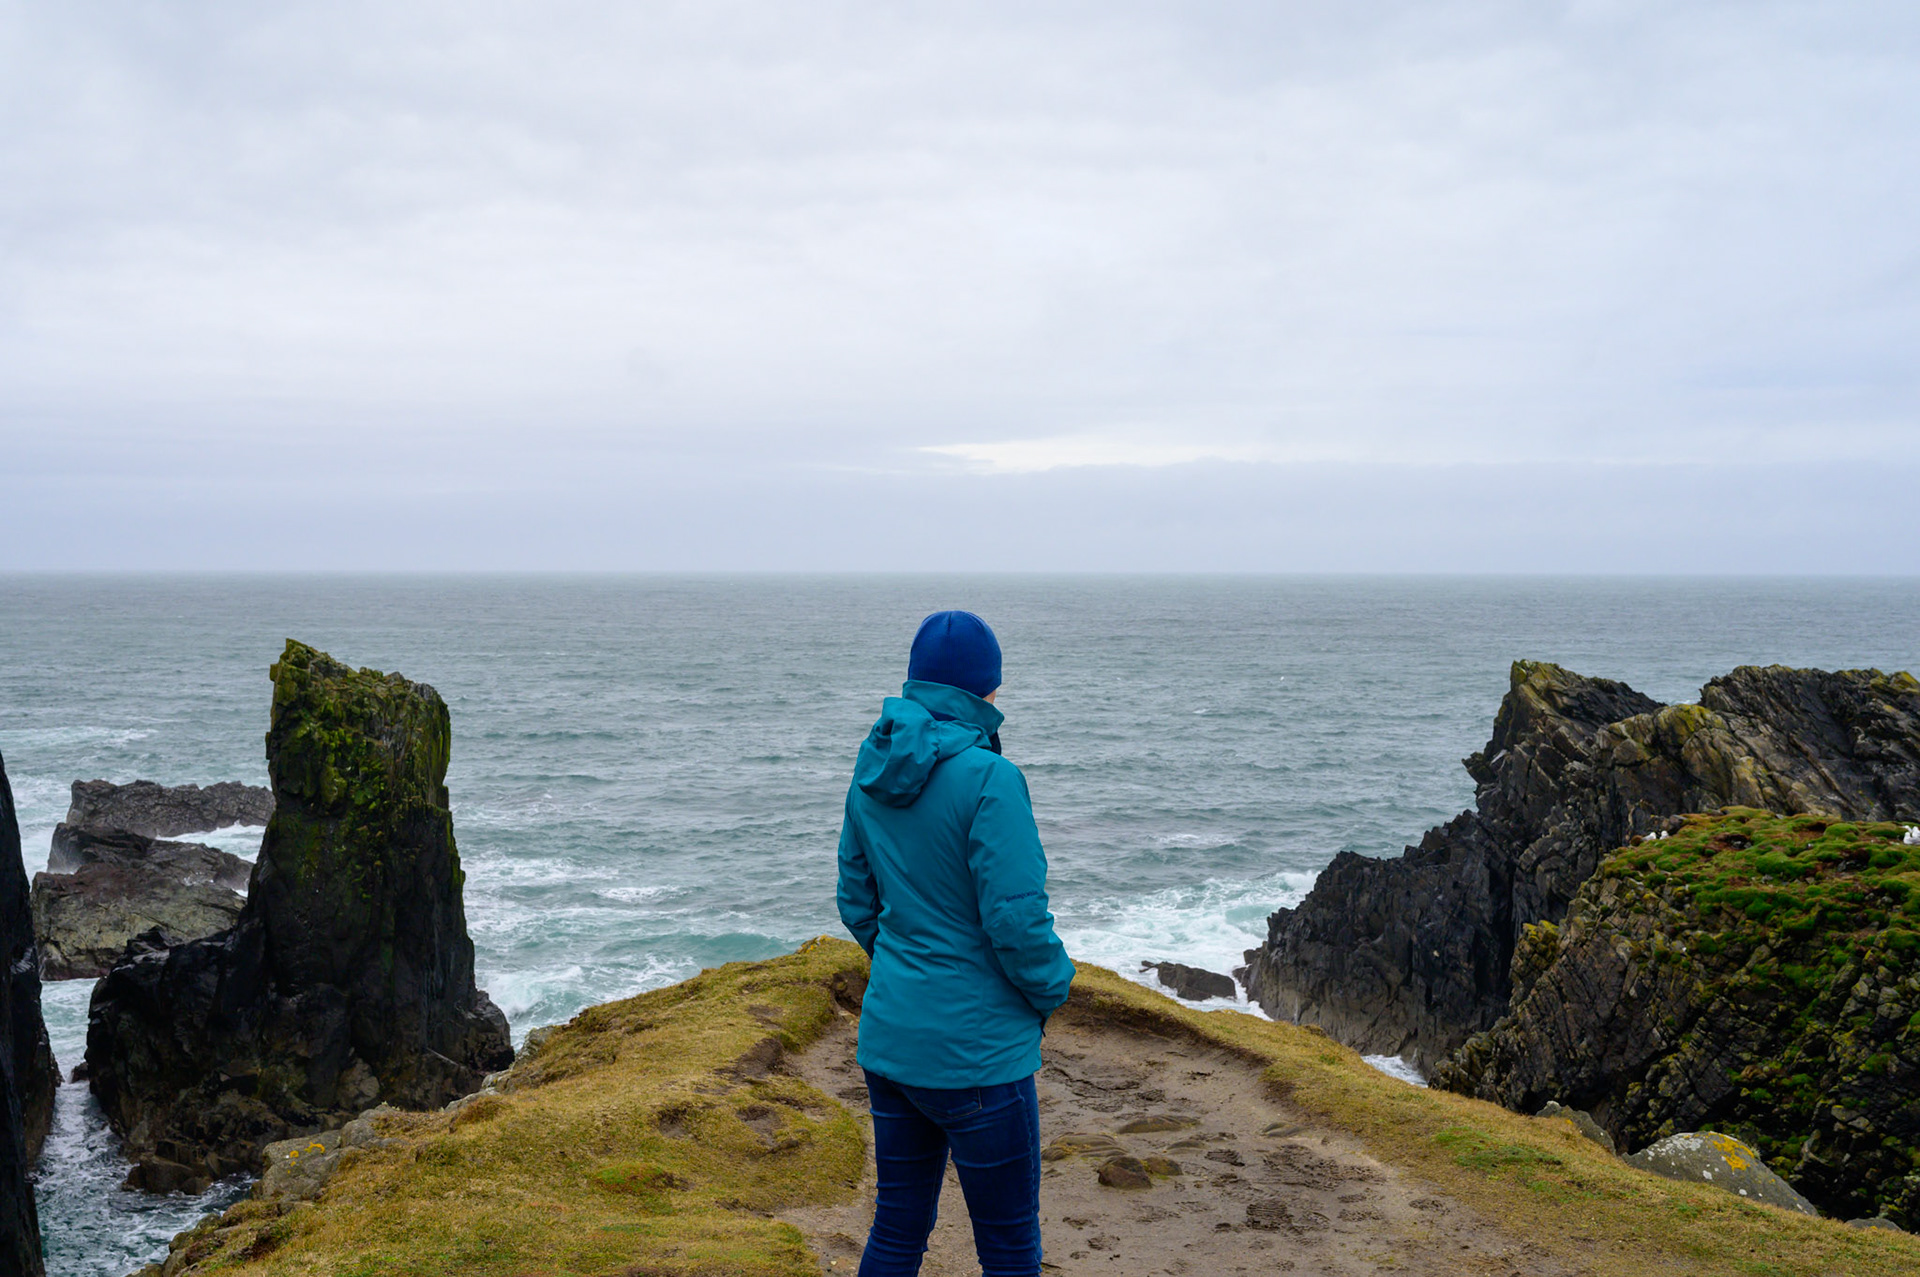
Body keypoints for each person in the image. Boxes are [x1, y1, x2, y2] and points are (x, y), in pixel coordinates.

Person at [836, 609, 1077, 1277]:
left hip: (891, 1042)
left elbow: (857, 901)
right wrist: (1053, 988)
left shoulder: (871, 769)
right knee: (1007, 1247)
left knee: (897, 1226)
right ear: (984, 691)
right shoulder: (991, 779)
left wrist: (902, 969)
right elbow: (1017, 922)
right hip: (979, 1057)